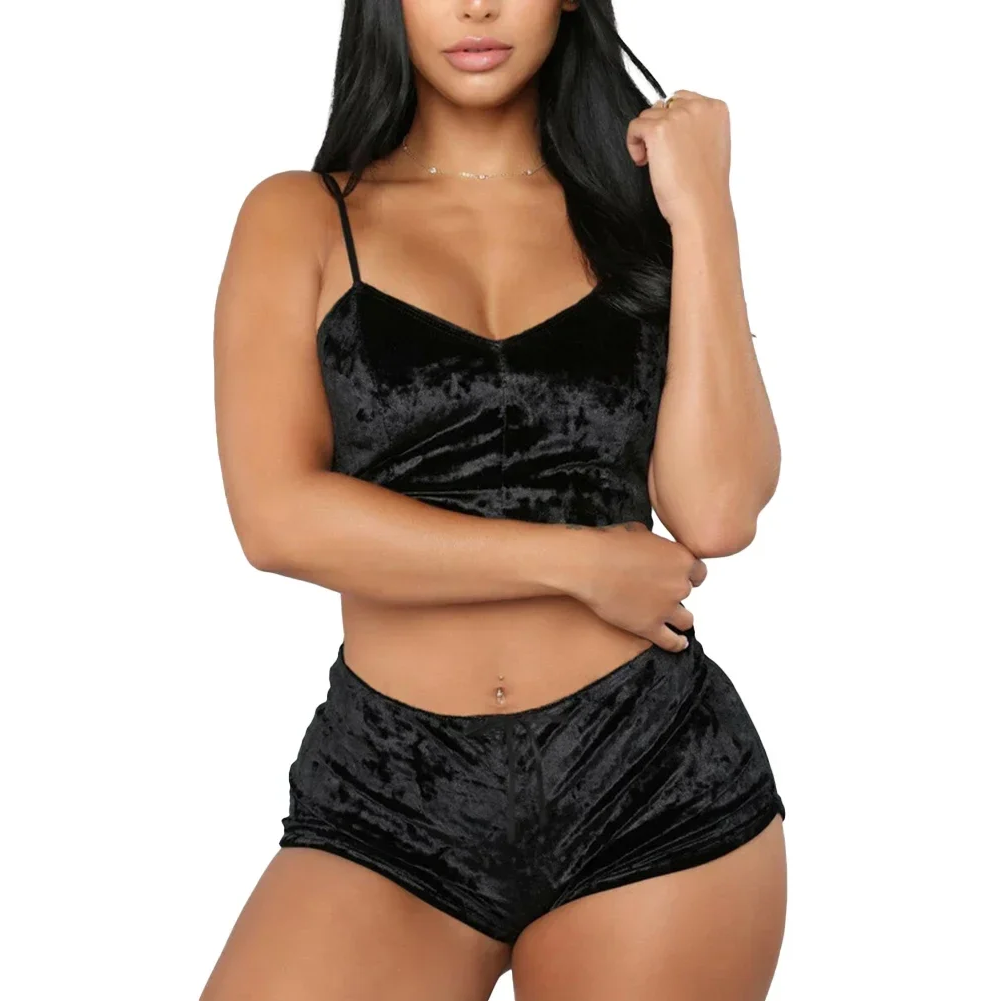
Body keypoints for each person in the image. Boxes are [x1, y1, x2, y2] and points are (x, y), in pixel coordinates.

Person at [204, 1, 787, 998]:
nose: (475, 5)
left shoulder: (639, 216)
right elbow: (276, 517)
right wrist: (576, 562)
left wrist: (702, 213)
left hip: (648, 776)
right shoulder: (299, 216)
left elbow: (717, 512)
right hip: (389, 788)